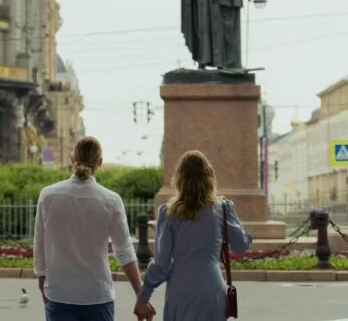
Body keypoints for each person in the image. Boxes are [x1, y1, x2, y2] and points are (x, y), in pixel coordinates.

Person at [33, 137, 156, 321]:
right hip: (98, 295)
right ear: (100, 162)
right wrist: (141, 295)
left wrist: (41, 279)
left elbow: (40, 243)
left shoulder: (48, 196)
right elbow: (124, 251)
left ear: (72, 160)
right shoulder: (111, 201)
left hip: (59, 294)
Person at [133, 150, 253, 321]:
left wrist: (143, 297)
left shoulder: (168, 213)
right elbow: (240, 246)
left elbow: (162, 264)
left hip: (180, 291)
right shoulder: (222, 208)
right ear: (209, 176)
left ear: (179, 178)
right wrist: (231, 212)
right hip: (212, 290)